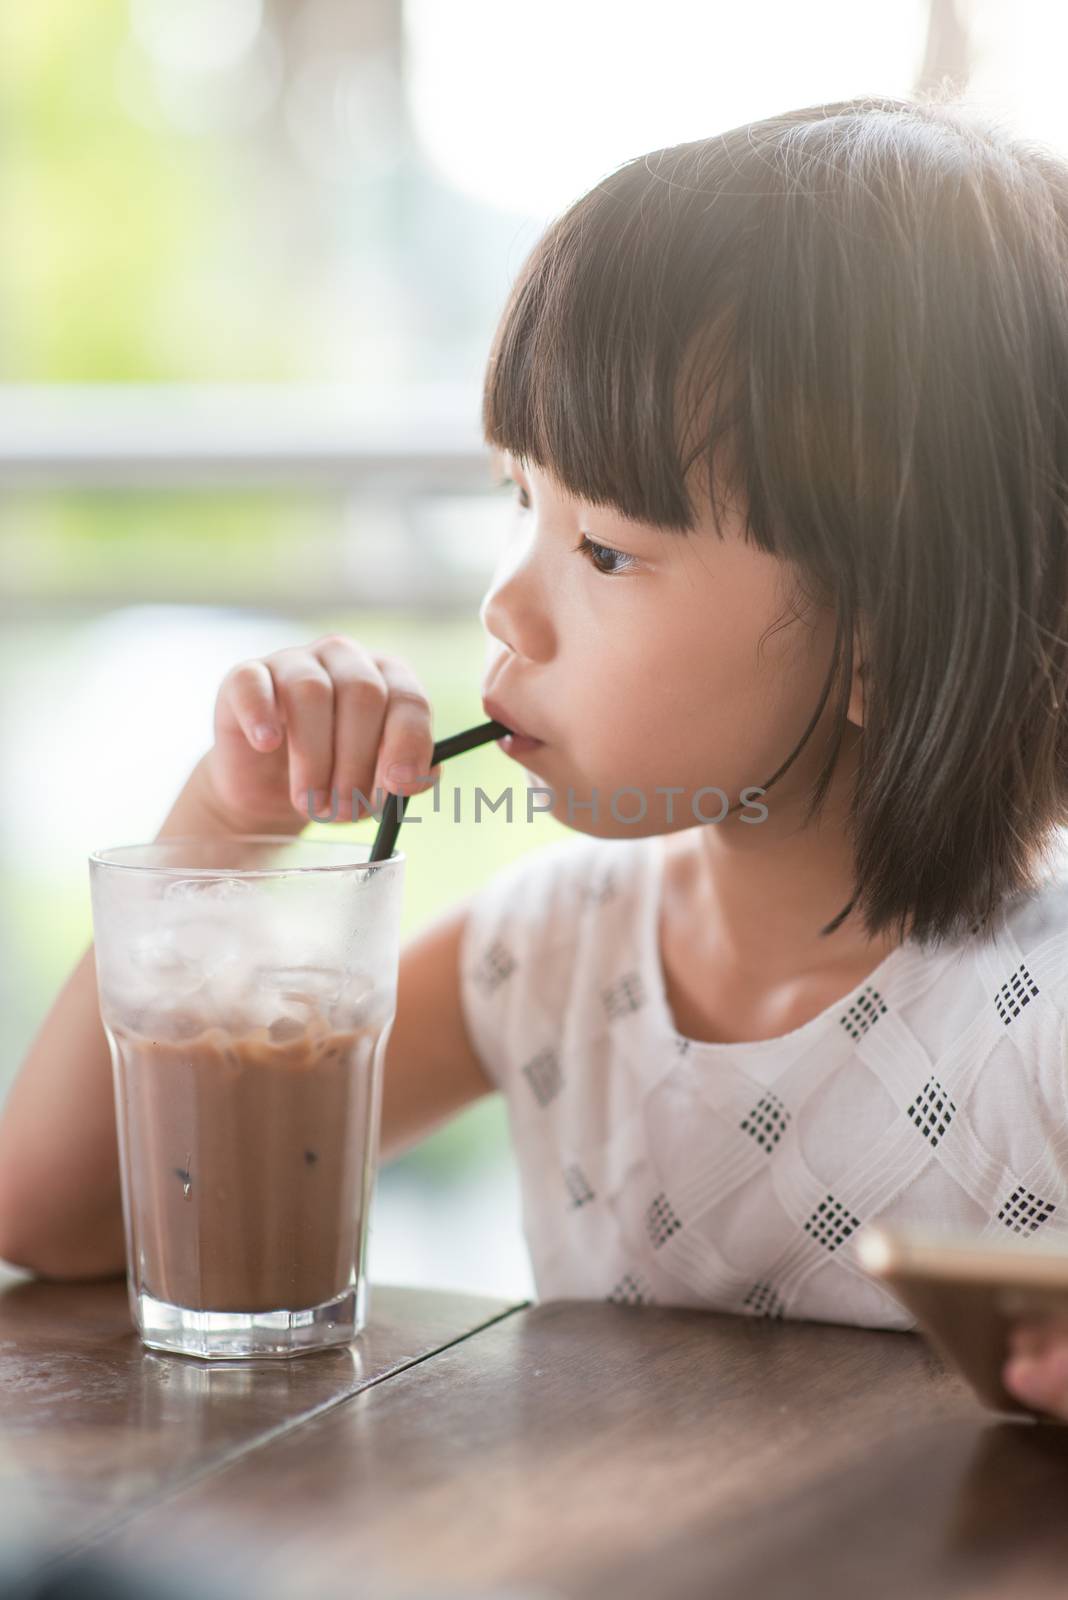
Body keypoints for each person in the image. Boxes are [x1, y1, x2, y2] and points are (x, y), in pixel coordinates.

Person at [3, 91, 1068, 1421]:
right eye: (525, 503)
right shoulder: (553, 952)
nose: (506, 607)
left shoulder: (1038, 1019)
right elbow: (63, 1219)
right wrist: (226, 822)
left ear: (885, 638)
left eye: (607, 548)